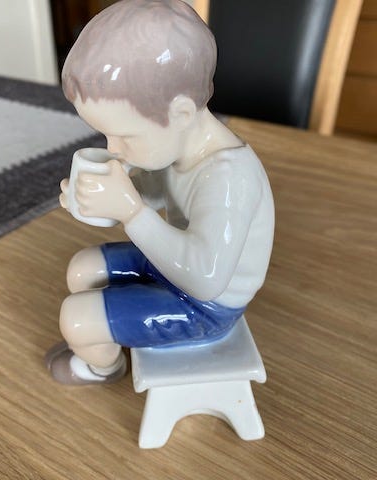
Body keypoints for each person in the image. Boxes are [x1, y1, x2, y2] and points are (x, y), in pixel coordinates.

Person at [46, 0, 274, 385]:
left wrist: (131, 212)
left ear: (180, 114)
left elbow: (206, 279)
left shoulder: (229, 178)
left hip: (206, 305)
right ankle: (111, 332)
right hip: (173, 266)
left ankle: (103, 367)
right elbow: (148, 195)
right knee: (83, 269)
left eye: (126, 136)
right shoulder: (174, 146)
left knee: (76, 319)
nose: (114, 148)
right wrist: (97, 200)